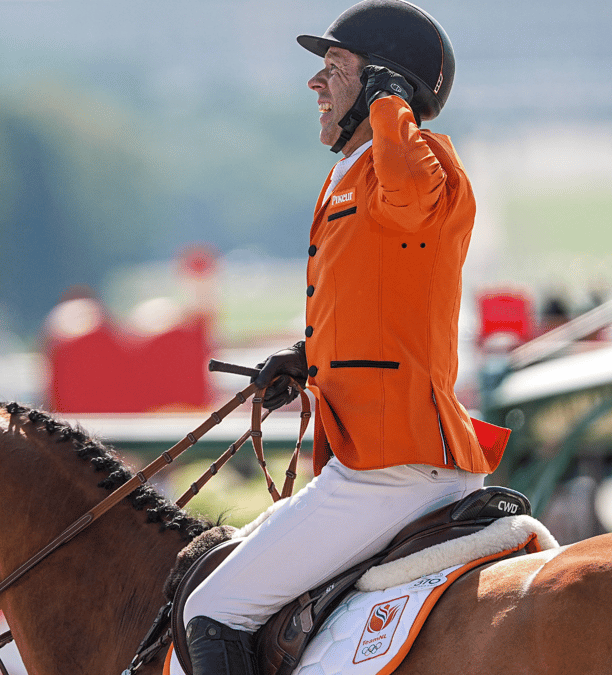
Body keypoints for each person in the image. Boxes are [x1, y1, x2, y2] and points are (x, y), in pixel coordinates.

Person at [182, 2, 509, 674]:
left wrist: (391, 104)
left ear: (385, 84)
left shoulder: (422, 168)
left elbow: (410, 195)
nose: (316, 82)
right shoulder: (351, 175)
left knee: (210, 609)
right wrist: (310, 360)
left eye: (334, 67)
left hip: (395, 464)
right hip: (369, 456)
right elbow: (386, 301)